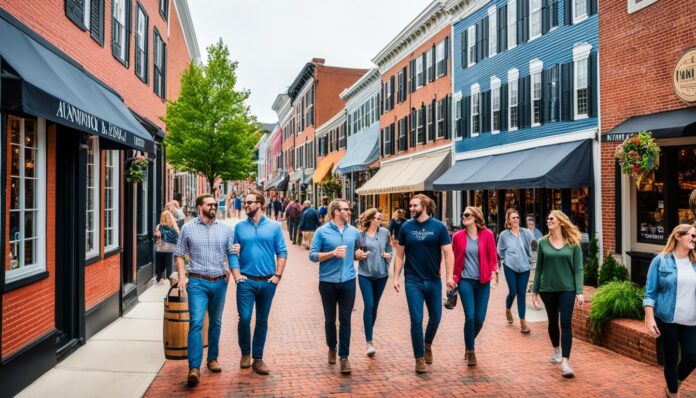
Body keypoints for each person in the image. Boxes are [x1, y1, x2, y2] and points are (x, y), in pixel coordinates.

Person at [174, 194, 235, 387]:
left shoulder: (225, 229)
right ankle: (194, 368)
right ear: (200, 206)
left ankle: (213, 358)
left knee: (216, 322)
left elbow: (231, 253)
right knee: (196, 322)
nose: (214, 207)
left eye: (215, 205)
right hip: (197, 282)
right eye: (210, 204)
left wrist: (231, 272)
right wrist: (182, 276)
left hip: (219, 282)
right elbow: (179, 253)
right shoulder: (187, 228)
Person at [393, 194, 455, 373]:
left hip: (434, 280)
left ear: (425, 206)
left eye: (415, 205)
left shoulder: (439, 227)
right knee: (416, 319)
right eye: (410, 206)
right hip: (413, 281)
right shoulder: (406, 227)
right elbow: (399, 254)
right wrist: (396, 277)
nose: (411, 208)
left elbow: (448, 252)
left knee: (436, 317)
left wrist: (449, 277)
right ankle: (419, 357)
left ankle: (427, 343)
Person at [229, 191, 287, 375]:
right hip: (246, 281)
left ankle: (258, 358)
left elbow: (282, 252)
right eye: (245, 203)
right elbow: (232, 252)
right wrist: (237, 275)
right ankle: (245, 353)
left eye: (249, 203)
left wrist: (277, 276)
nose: (245, 205)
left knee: (262, 320)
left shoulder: (274, 227)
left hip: (268, 282)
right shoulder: (239, 227)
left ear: (260, 204)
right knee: (244, 318)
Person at [644, 224, 696, 398]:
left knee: (692, 356)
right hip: (667, 319)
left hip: (691, 320)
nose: (695, 239)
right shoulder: (660, 260)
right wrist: (649, 318)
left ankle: (675, 382)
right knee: (671, 359)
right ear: (678, 237)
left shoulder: (695, 261)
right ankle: (672, 392)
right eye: (692, 236)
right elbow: (650, 293)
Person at [309, 199, 360, 375]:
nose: (349, 212)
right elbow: (313, 256)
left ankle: (344, 357)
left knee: (345, 319)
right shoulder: (321, 232)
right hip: (327, 282)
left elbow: (355, 252)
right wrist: (332, 253)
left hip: (348, 281)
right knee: (330, 319)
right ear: (336, 211)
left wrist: (358, 255)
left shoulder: (353, 231)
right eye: (346, 209)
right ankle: (332, 346)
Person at [531, 210, 584, 379]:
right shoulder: (542, 243)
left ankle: (565, 363)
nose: (548, 220)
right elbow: (539, 268)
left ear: (560, 221)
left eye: (551, 218)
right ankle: (556, 350)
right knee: (553, 321)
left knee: (566, 323)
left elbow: (578, 269)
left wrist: (580, 291)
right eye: (547, 218)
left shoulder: (573, 243)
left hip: (567, 289)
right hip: (548, 289)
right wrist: (535, 290)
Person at [452, 206, 498, 366]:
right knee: (470, 316)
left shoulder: (488, 235)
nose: (463, 217)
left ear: (476, 218)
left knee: (480, 318)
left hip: (483, 282)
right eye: (463, 215)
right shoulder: (457, 236)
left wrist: (494, 272)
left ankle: (468, 343)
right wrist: (452, 278)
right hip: (465, 281)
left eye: (467, 215)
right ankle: (471, 351)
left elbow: (493, 258)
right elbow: (453, 258)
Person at [355, 208, 392, 357]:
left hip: (382, 274)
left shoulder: (384, 233)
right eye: (377, 218)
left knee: (375, 306)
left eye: (381, 218)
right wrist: (358, 255)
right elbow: (354, 252)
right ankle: (369, 342)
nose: (380, 221)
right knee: (369, 305)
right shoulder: (360, 235)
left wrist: (388, 255)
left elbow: (390, 250)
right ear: (370, 219)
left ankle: (368, 325)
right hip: (365, 274)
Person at [498, 209, 534, 334]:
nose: (516, 219)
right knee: (513, 291)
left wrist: (530, 260)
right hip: (510, 267)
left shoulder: (526, 233)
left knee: (522, 294)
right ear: (508, 220)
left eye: (517, 217)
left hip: (524, 267)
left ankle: (523, 323)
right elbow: (500, 250)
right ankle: (508, 309)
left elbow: (533, 246)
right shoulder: (504, 235)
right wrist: (505, 259)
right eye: (513, 218)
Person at [154, 210, 179, 283]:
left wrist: (158, 235)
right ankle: (169, 279)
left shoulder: (159, 226)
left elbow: (156, 236)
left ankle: (159, 278)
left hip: (160, 248)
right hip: (170, 248)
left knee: (159, 263)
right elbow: (177, 238)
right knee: (169, 265)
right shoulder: (174, 226)